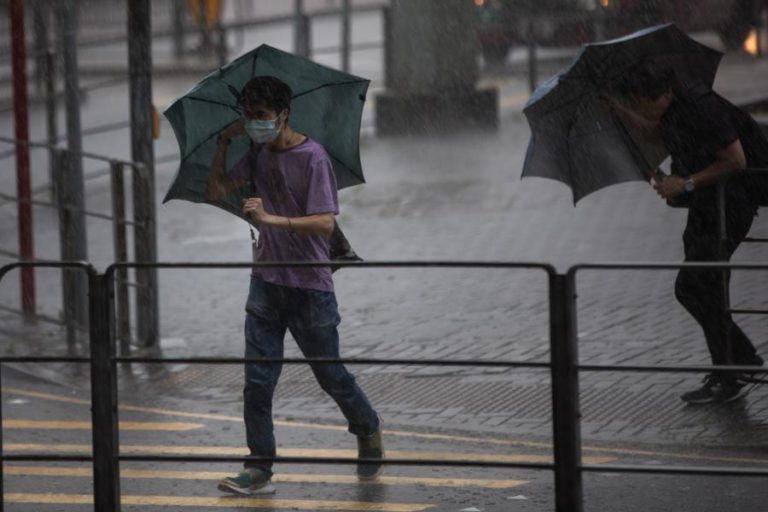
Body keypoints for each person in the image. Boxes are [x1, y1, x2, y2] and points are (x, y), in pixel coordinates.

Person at [205, 75, 383, 495]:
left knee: (330, 375)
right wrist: (224, 144)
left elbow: (324, 222)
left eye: (262, 117)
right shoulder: (255, 153)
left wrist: (271, 220)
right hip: (266, 281)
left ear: (283, 114)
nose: (255, 124)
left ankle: (367, 426)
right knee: (258, 381)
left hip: (309, 285)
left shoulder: (313, 157)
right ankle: (259, 465)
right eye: (247, 117)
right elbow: (215, 190)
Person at [605, 62, 766, 404]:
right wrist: (620, 113)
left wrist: (686, 182)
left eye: (642, 103)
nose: (641, 110)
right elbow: (656, 132)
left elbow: (736, 160)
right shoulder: (673, 104)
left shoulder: (702, 107)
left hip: (732, 202)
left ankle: (739, 362)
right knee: (706, 287)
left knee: (693, 286)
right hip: (708, 205)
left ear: (664, 95)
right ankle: (728, 370)